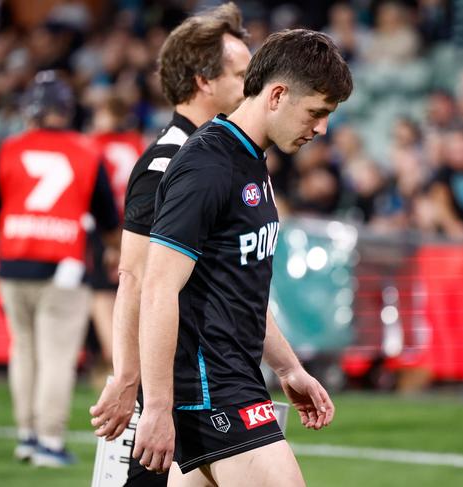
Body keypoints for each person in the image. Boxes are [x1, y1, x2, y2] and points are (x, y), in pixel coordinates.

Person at [133, 29, 353, 486]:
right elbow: (156, 289)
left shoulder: (250, 158)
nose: (321, 129)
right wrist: (155, 406)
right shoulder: (208, 166)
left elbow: (238, 286)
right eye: (316, 112)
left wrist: (289, 367)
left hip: (229, 382)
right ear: (277, 95)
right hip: (213, 393)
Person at [88, 3, 250, 486]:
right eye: (243, 75)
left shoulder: (221, 154)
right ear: (204, 81)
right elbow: (135, 278)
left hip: (214, 375)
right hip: (178, 383)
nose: (254, 88)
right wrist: (127, 378)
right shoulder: (167, 162)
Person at [0, 70, 120, 467]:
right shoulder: (86, 150)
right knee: (56, 355)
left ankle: (26, 434)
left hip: (14, 260)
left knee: (23, 349)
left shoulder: (10, 148)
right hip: (63, 266)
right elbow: (108, 219)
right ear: (67, 110)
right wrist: (113, 251)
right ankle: (49, 441)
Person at [87, 96, 145, 385]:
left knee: (101, 291)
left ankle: (114, 355)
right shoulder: (136, 143)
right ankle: (126, 354)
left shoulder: (95, 145)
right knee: (130, 286)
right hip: (136, 224)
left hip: (104, 225)